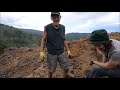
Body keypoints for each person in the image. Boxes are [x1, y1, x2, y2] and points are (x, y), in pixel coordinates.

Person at [39, 12, 73, 78]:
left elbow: (64, 39)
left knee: (66, 68)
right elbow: (43, 39)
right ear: (51, 18)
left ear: (60, 17)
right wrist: (41, 51)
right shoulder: (47, 28)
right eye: (54, 17)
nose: (56, 19)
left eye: (57, 17)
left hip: (61, 52)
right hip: (51, 53)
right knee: (51, 70)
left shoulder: (63, 27)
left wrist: (68, 51)